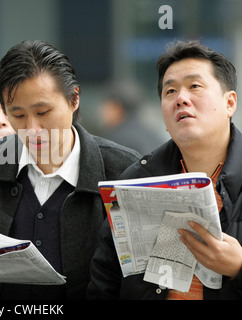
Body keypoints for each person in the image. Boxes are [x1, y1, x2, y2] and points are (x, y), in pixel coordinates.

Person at [0, 40, 140, 300]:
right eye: (18, 115)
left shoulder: (124, 171)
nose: (33, 128)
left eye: (43, 111)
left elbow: (143, 282)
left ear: (74, 99)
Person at [87, 40, 242, 300]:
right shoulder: (136, 180)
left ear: (229, 103)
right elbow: (104, 282)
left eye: (195, 86)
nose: (181, 98)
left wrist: (239, 267)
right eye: (170, 91)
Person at [98, 79, 165, 155]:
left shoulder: (117, 140)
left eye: (106, 106)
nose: (101, 111)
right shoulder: (153, 135)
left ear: (116, 108)